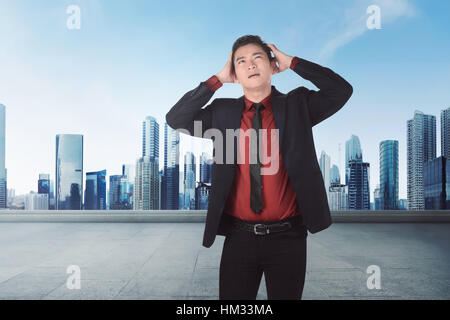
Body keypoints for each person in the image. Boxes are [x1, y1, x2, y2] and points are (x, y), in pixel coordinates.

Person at [166, 35, 353, 300]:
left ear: (272, 65)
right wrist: (217, 80)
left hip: (289, 238)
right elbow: (176, 118)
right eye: (241, 61)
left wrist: (294, 63)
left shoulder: (298, 106)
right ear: (235, 72)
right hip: (238, 238)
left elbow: (341, 90)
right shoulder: (221, 112)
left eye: (258, 58)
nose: (251, 65)